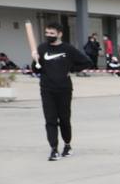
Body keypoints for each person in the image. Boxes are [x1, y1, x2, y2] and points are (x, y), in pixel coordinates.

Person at [33, 22, 91, 160]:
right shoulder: (41, 48)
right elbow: (36, 69)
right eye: (47, 33)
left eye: (52, 33)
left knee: (64, 119)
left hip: (64, 89)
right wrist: (35, 60)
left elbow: (87, 62)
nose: (49, 36)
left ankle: (67, 144)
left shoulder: (68, 49)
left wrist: (71, 69)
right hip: (47, 88)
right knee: (50, 119)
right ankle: (53, 149)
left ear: (59, 34)